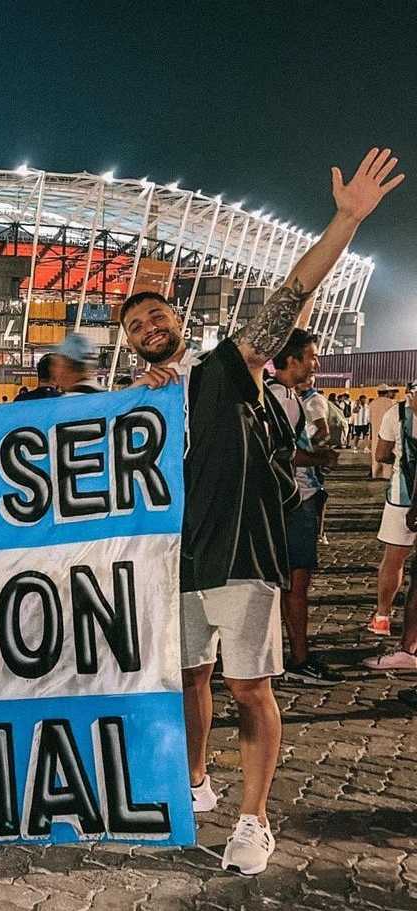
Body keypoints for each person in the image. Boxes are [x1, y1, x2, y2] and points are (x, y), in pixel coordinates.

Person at [120, 148, 402, 875]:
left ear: (176, 319)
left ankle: (253, 820)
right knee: (187, 678)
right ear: (128, 345)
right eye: (134, 326)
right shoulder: (132, 406)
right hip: (174, 561)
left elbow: (293, 291)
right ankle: (192, 782)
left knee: (249, 687)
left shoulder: (229, 366)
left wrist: (344, 220)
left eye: (156, 314)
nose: (148, 326)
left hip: (242, 553)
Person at [266, 331, 341, 685]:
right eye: (312, 356)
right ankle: (299, 659)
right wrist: (321, 457)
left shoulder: (270, 393)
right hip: (295, 500)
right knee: (297, 583)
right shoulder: (285, 399)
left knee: (282, 583)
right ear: (292, 360)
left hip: (279, 501)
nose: (317, 363)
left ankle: (279, 657)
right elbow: (281, 453)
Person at [365, 382, 417, 638]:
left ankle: (382, 617)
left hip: (402, 496)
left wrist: (398, 461)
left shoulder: (396, 413)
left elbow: (381, 453)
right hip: (404, 496)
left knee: (394, 559)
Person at [369, 385, 397, 476]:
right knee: (387, 452)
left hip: (375, 432)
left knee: (375, 454)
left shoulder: (372, 403)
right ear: (387, 392)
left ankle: (376, 473)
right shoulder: (392, 403)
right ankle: (387, 474)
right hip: (388, 432)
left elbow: (369, 419)